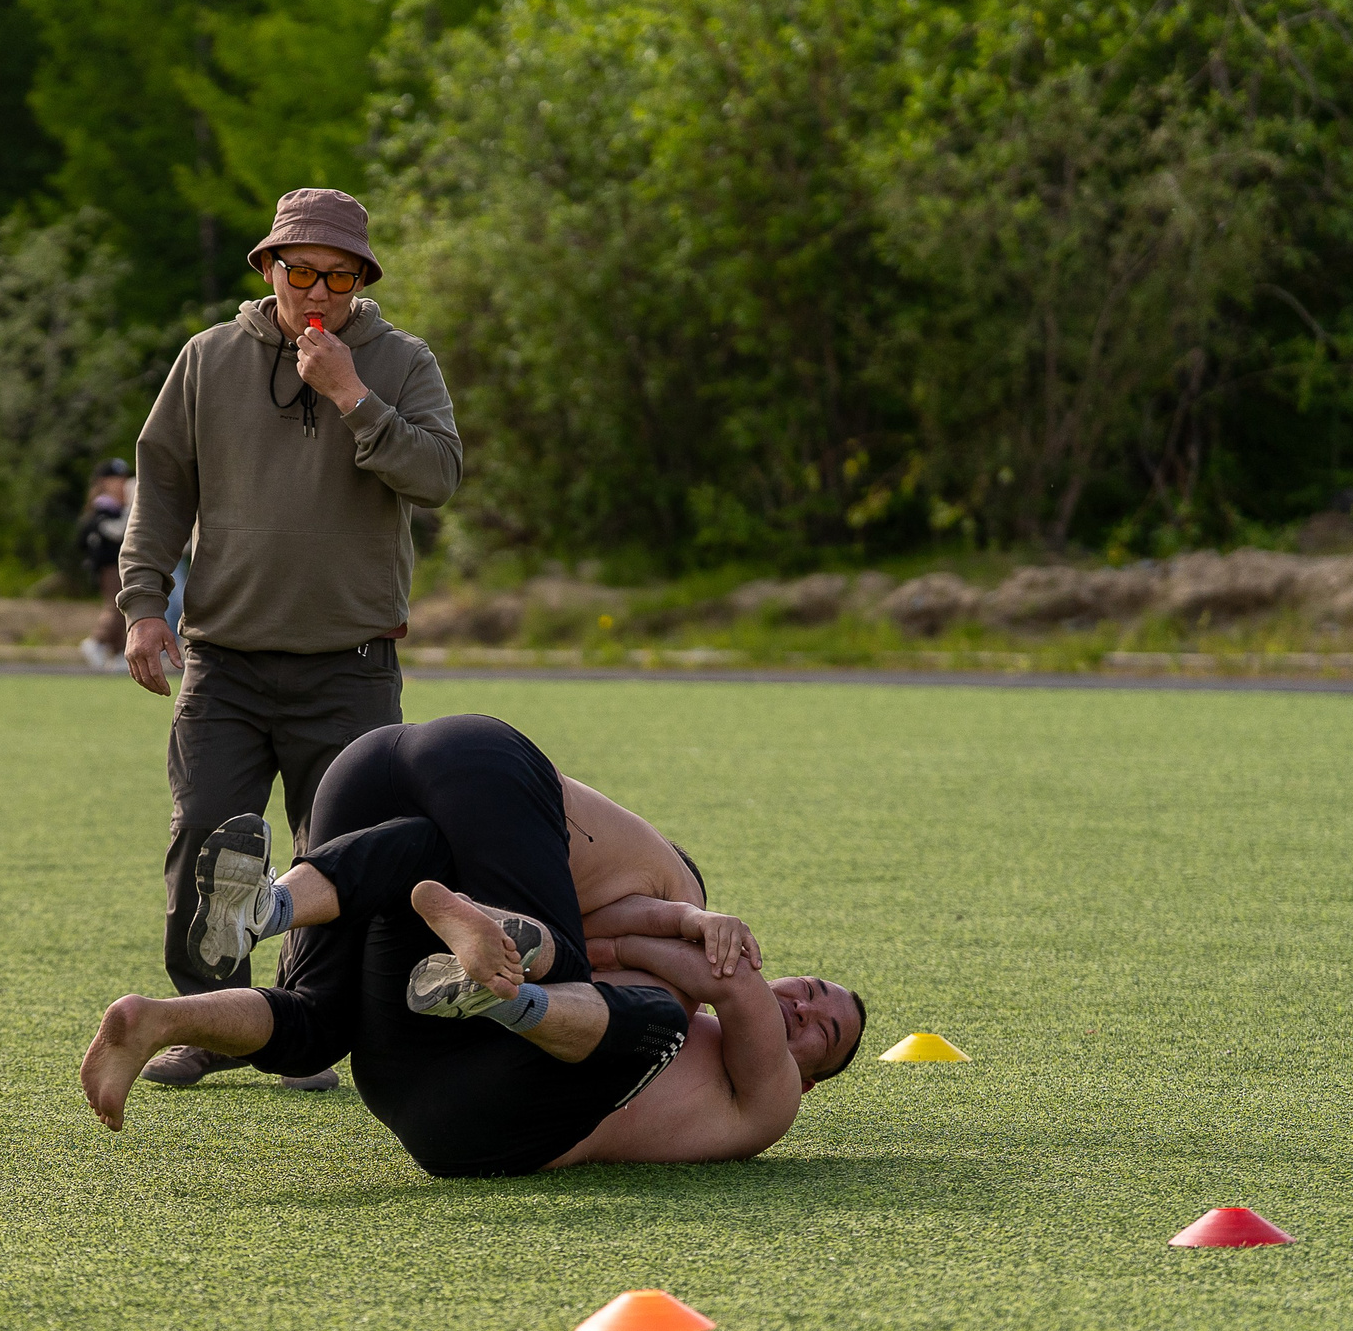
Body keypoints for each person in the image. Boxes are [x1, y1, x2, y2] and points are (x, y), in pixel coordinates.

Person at [80, 715, 868, 1176]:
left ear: (811, 1076)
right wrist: (685, 931)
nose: (801, 1006)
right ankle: (213, 964)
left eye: (822, 1033)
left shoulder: (769, 1098)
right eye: (812, 989)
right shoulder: (679, 965)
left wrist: (691, 933)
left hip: (493, 1120)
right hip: (422, 1083)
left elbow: (724, 984)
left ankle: (296, 916)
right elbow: (632, 947)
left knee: (625, 999)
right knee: (348, 995)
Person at [115, 188, 463, 1091]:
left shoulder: (402, 362)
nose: (316, 290)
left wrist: (352, 396)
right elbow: (161, 486)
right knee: (207, 836)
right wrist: (143, 603)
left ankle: (298, 1029)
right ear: (267, 267)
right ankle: (206, 1019)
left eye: (337, 275)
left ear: (361, 279)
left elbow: (437, 475)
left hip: (351, 665)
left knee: (334, 856)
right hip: (224, 661)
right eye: (298, 269)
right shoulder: (208, 359)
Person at [77, 458, 134, 670]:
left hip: (118, 564)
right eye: (115, 479)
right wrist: (131, 512)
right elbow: (115, 532)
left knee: (123, 608)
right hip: (109, 565)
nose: (120, 483)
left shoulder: (115, 508)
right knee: (115, 606)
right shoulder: (103, 508)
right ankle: (96, 641)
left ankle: (118, 652)